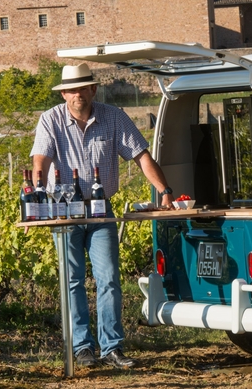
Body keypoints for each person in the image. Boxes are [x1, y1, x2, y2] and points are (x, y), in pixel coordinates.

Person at [30, 63, 175, 369]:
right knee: (72, 281)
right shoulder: (50, 120)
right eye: (71, 89)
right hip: (64, 210)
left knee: (108, 279)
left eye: (82, 88)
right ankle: (83, 348)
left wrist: (164, 190)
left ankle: (112, 348)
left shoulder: (114, 117)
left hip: (100, 210)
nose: (76, 94)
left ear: (93, 89)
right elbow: (40, 158)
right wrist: (38, 186)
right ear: (64, 93)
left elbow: (141, 155)